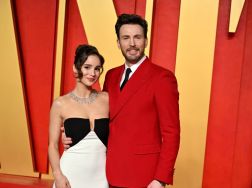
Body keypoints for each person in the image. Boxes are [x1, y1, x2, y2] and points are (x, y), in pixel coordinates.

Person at [63, 14, 180, 188]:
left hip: (144, 175)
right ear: (118, 43)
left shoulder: (162, 78)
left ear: (146, 41)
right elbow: (101, 117)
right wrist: (74, 132)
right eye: (126, 38)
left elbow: (172, 132)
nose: (132, 43)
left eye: (137, 37)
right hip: (107, 171)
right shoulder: (111, 75)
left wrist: (160, 179)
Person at [48, 44, 109, 188]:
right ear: (75, 68)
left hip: (101, 177)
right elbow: (52, 145)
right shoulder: (60, 104)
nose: (92, 73)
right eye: (87, 67)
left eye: (97, 68)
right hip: (70, 176)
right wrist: (58, 175)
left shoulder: (107, 99)